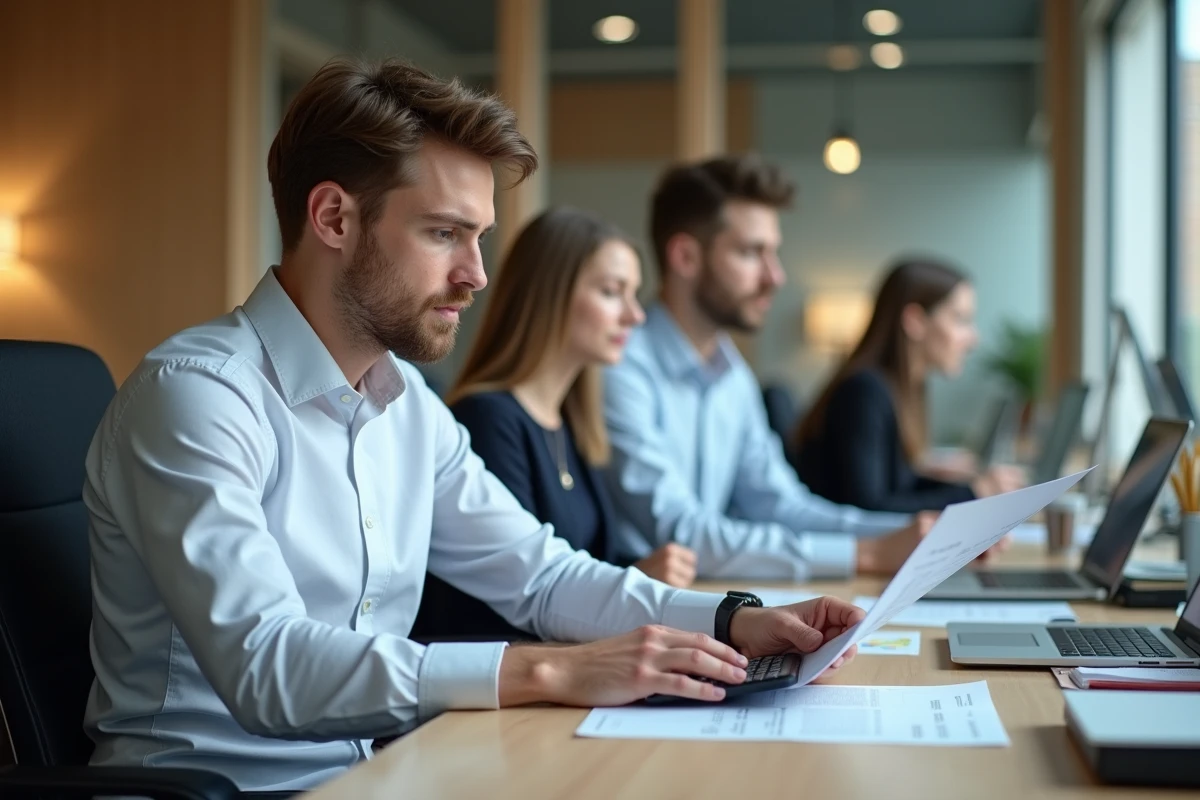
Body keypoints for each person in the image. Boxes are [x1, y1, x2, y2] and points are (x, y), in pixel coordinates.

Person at [81, 59, 863, 792]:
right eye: (444, 233)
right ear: (332, 218)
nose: (477, 274)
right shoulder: (197, 397)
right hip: (223, 788)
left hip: (382, 770)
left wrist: (735, 619)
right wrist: (550, 670)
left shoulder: (409, 406)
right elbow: (265, 666)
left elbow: (543, 576)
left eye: (479, 236)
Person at [603, 155, 944, 581]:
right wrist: (866, 553)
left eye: (773, 253)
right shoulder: (620, 365)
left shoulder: (733, 374)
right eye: (752, 253)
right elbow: (679, 532)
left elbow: (779, 505)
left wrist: (926, 533)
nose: (776, 276)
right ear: (686, 256)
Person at [410, 207, 697, 641]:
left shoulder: (572, 422)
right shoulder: (488, 420)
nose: (635, 316)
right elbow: (501, 601)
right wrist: (636, 577)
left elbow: (591, 556)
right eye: (611, 292)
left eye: (633, 294)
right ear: (551, 296)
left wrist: (640, 571)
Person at [791, 259, 1026, 513]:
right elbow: (870, 506)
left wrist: (970, 487)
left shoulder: (898, 388)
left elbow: (898, 486)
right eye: (960, 320)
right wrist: (974, 492)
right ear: (915, 321)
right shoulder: (863, 392)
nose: (973, 339)